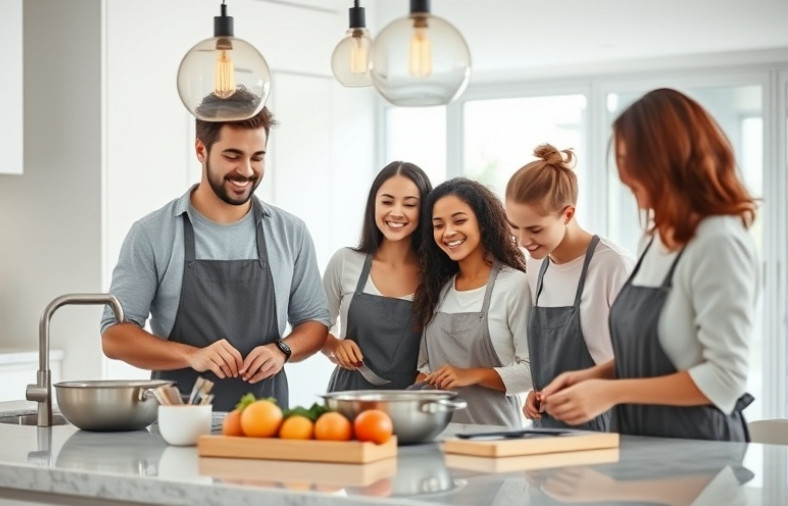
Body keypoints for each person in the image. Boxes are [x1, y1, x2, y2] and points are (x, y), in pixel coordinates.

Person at [542, 88, 759, 441]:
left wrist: (611, 393)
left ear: (669, 160)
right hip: (643, 441)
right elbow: (661, 358)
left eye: (631, 160)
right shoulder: (655, 238)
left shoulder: (718, 241)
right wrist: (593, 377)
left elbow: (725, 379)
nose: (624, 175)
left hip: (699, 448)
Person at [100, 90, 330, 412]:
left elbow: (315, 322)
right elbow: (114, 336)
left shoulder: (290, 233)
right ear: (201, 150)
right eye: (233, 156)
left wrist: (283, 350)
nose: (247, 171)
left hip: (265, 423)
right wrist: (191, 355)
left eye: (258, 157)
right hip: (178, 424)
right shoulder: (152, 233)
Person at [505, 144, 634, 431]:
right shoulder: (536, 265)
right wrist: (537, 394)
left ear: (567, 214)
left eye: (535, 229)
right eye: (515, 228)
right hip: (548, 429)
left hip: (606, 427)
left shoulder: (613, 266)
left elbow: (641, 362)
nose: (523, 242)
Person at [413, 178, 532, 426]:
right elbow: (424, 366)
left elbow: (532, 372)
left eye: (459, 220)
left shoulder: (513, 285)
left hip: (497, 435)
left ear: (483, 222)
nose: (448, 232)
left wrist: (471, 375)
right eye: (438, 225)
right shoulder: (438, 289)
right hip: (439, 436)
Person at [322, 162, 432, 391]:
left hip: (410, 402)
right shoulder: (345, 262)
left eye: (410, 204)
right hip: (348, 397)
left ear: (424, 211)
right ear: (374, 204)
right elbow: (316, 329)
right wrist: (335, 346)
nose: (396, 212)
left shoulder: (436, 275)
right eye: (387, 202)